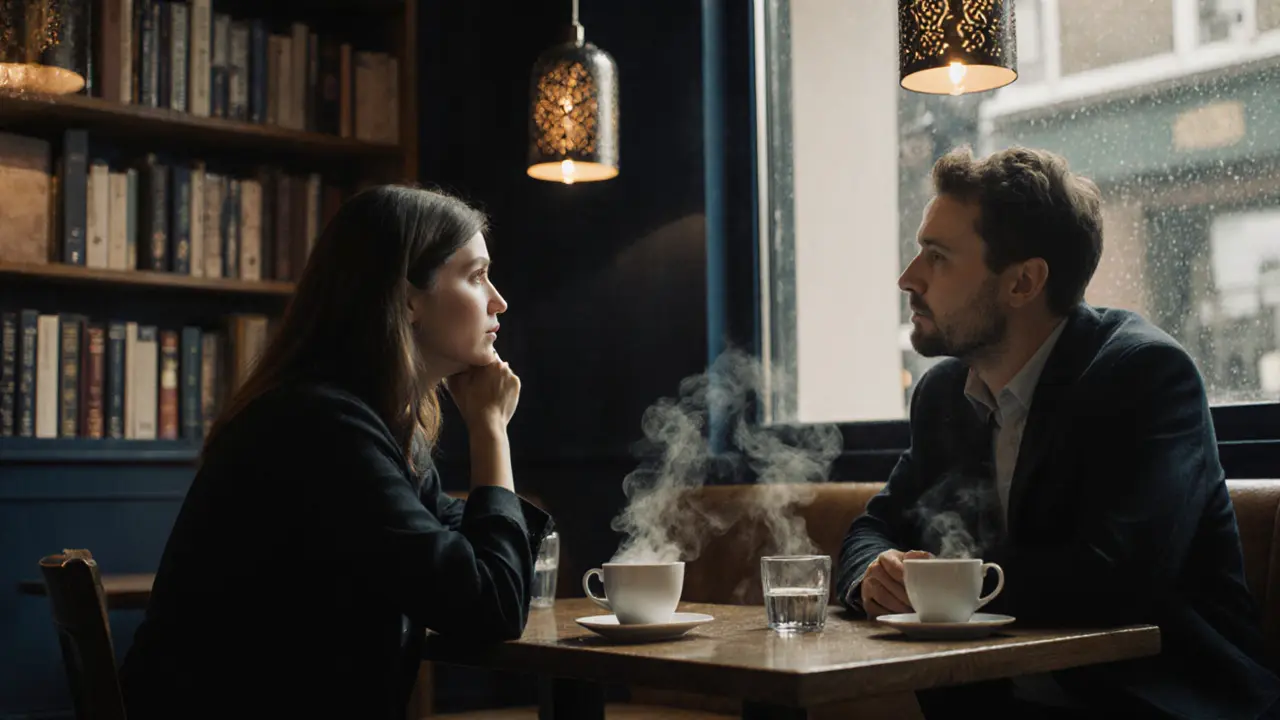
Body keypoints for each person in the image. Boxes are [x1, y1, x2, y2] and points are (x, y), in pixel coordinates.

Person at [835, 146, 1280, 719]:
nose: (907, 277)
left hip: (1160, 705)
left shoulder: (1144, 377)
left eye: (938, 257)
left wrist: (932, 585)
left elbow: (1114, 578)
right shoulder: (943, 395)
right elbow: (871, 529)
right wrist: (873, 575)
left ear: (1023, 282)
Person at [120, 186, 552, 720]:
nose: (498, 300)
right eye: (475, 275)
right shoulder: (322, 430)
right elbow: (493, 606)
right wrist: (490, 429)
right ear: (408, 299)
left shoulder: (368, 425)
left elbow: (470, 562)